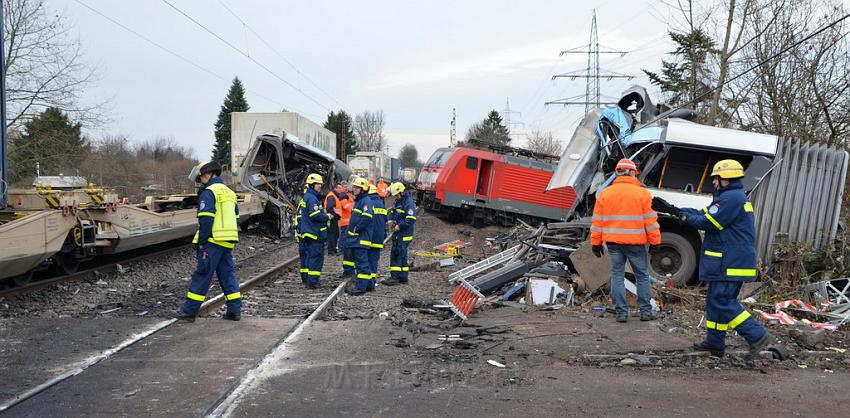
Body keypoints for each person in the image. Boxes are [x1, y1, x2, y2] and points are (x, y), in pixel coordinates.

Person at [653, 159, 774, 358]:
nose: (714, 183)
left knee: (722, 301)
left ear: (725, 178)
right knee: (715, 301)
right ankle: (715, 343)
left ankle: (757, 336)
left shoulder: (731, 199)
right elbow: (703, 213)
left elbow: (708, 223)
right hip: (729, 260)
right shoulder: (729, 197)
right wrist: (674, 210)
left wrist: (679, 215)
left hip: (730, 262)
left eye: (716, 179)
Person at [590, 158, 660, 323]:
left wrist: (595, 243)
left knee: (617, 276)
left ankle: (621, 313)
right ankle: (645, 312)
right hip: (636, 244)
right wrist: (655, 241)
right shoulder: (642, 194)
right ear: (632, 173)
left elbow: (597, 222)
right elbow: (650, 221)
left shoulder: (604, 194)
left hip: (614, 244)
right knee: (642, 276)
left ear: (617, 173)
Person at [177, 161, 242, 322]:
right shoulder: (229, 192)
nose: (201, 181)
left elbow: (206, 220)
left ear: (208, 173)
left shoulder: (209, 192)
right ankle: (234, 310)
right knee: (228, 276)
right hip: (228, 241)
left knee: (202, 274)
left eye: (201, 177)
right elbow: (236, 218)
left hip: (213, 241)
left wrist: (202, 242)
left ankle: (188, 311)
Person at [298, 173, 332, 289]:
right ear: (312, 185)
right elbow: (314, 215)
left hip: (308, 232)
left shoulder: (307, 197)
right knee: (316, 257)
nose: (320, 186)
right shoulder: (312, 199)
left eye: (320, 184)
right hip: (314, 233)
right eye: (318, 184)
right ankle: (313, 281)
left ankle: (307, 278)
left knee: (308, 257)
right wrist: (327, 216)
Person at [342, 177, 374, 295]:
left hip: (361, 238)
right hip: (358, 239)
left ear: (363, 189)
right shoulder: (360, 201)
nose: (353, 189)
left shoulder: (365, 201)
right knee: (362, 263)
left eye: (356, 187)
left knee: (361, 264)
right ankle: (369, 285)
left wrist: (356, 229)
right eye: (354, 187)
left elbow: (367, 217)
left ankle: (360, 288)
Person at [381, 182, 416, 286]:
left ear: (401, 192)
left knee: (396, 254)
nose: (395, 197)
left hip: (403, 233)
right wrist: (390, 220)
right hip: (400, 233)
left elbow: (411, 219)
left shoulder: (408, 203)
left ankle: (394, 277)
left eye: (396, 195)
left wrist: (399, 226)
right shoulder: (399, 201)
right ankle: (403, 277)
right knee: (402, 255)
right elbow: (393, 212)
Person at [367, 184, 388, 287]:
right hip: (378, 237)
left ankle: (365, 281)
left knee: (364, 259)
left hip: (367, 236)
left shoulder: (367, 203)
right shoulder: (381, 204)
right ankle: (372, 280)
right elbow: (385, 221)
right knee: (374, 259)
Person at [324, 182, 350, 256]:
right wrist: (335, 215)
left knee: (335, 234)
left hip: (333, 218)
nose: (340, 190)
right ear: (335, 188)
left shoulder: (335, 195)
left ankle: (333, 249)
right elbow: (329, 208)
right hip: (332, 218)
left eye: (341, 188)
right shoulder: (332, 196)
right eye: (339, 188)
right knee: (332, 234)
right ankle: (331, 251)